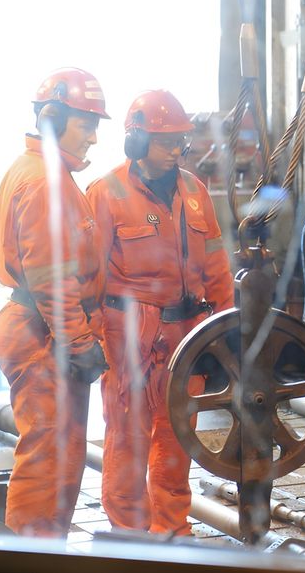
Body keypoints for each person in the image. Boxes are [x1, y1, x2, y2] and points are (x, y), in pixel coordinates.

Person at [86, 89, 234, 535]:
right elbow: (88, 278)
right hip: (129, 334)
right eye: (167, 141)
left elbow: (215, 262)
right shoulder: (105, 194)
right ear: (136, 141)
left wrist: (226, 325)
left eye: (180, 141)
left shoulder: (195, 191)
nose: (176, 150)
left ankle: (171, 534)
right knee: (127, 440)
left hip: (185, 334)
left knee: (177, 440)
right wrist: (87, 337)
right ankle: (129, 538)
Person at [0, 67, 111, 537]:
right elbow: (51, 278)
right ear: (53, 118)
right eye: (87, 124)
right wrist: (78, 341)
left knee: (59, 459)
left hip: (41, 330)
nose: (95, 138)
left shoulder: (43, 172)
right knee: (47, 465)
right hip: (43, 336)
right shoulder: (44, 181)